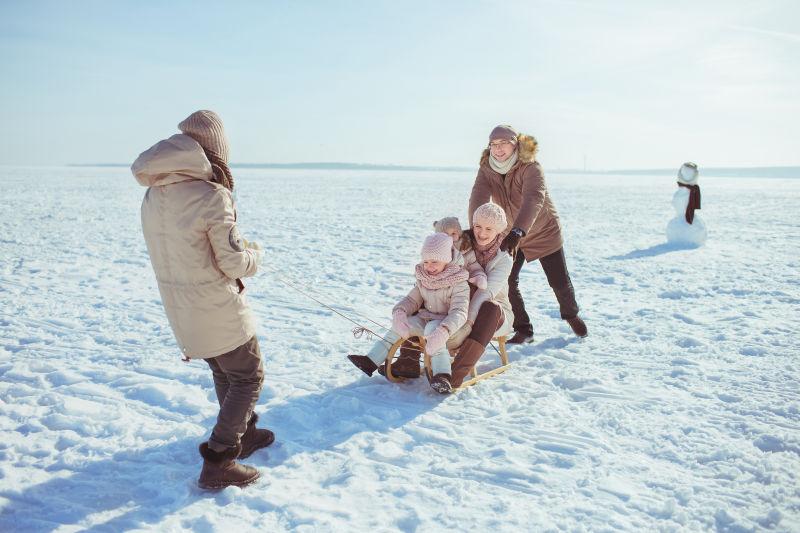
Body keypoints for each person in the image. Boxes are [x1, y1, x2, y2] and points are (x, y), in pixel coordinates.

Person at [132, 110, 274, 490]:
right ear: (214, 152)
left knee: (225, 371)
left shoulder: (154, 194)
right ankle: (220, 460)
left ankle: (244, 433)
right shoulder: (212, 196)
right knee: (248, 375)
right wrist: (255, 254)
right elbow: (234, 264)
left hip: (182, 308)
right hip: (215, 304)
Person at [468, 125, 587, 344]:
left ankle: (571, 314)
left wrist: (518, 230)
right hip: (509, 234)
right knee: (506, 280)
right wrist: (475, 227)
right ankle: (523, 329)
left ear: (515, 145)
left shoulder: (531, 166)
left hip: (542, 231)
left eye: (504, 143)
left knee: (559, 282)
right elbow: (478, 197)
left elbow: (534, 198)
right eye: (494, 144)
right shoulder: (487, 168)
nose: (498, 149)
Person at [347, 232, 470, 393]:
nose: (429, 266)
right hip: (425, 318)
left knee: (433, 331)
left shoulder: (459, 282)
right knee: (403, 326)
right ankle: (371, 361)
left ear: (447, 260)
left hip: (447, 325)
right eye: (426, 262)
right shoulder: (424, 279)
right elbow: (412, 300)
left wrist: (445, 329)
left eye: (435, 261)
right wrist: (400, 312)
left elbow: (460, 312)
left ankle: (442, 376)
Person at [448, 203, 515, 388]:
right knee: (429, 287)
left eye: (489, 229)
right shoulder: (462, 243)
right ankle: (408, 359)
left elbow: (485, 293)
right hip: (458, 303)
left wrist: (467, 324)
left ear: (499, 230)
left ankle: (455, 374)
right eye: (478, 226)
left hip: (493, 314)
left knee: (490, 307)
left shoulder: (504, 258)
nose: (482, 233)